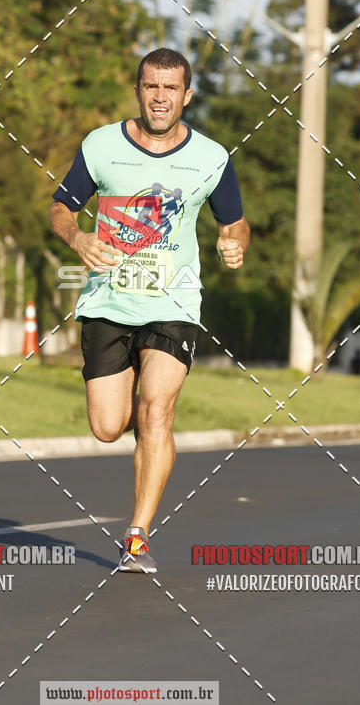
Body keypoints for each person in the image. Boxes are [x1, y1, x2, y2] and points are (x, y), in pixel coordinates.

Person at [49, 47, 250, 573]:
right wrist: (78, 238)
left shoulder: (211, 157)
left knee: (156, 410)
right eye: (151, 87)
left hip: (174, 302)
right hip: (108, 302)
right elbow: (61, 208)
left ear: (187, 95)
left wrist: (236, 242)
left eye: (170, 88)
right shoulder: (100, 146)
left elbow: (235, 221)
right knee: (108, 427)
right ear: (138, 90)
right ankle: (133, 411)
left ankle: (137, 534)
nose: (160, 98)